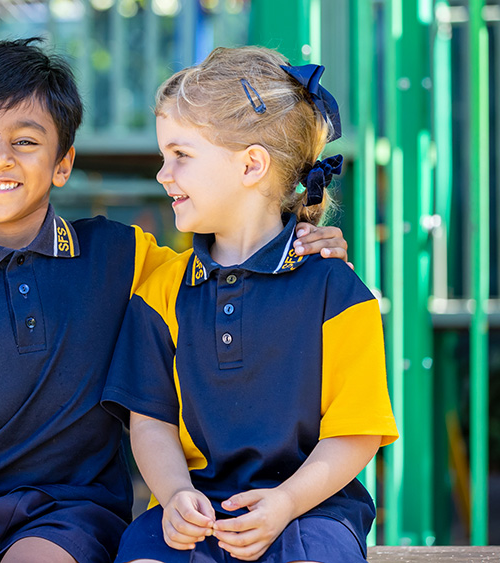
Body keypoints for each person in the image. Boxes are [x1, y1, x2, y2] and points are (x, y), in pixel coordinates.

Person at [0, 39, 350, 563]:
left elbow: (231, 266)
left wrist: (302, 239)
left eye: (25, 141)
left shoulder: (122, 254)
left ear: (62, 163)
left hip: (74, 509)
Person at [101, 46, 399, 563]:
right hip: (194, 509)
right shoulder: (159, 292)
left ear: (251, 165)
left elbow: (357, 431)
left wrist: (286, 503)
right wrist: (174, 494)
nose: (163, 173)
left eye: (180, 154)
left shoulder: (338, 291)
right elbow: (151, 422)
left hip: (311, 511)